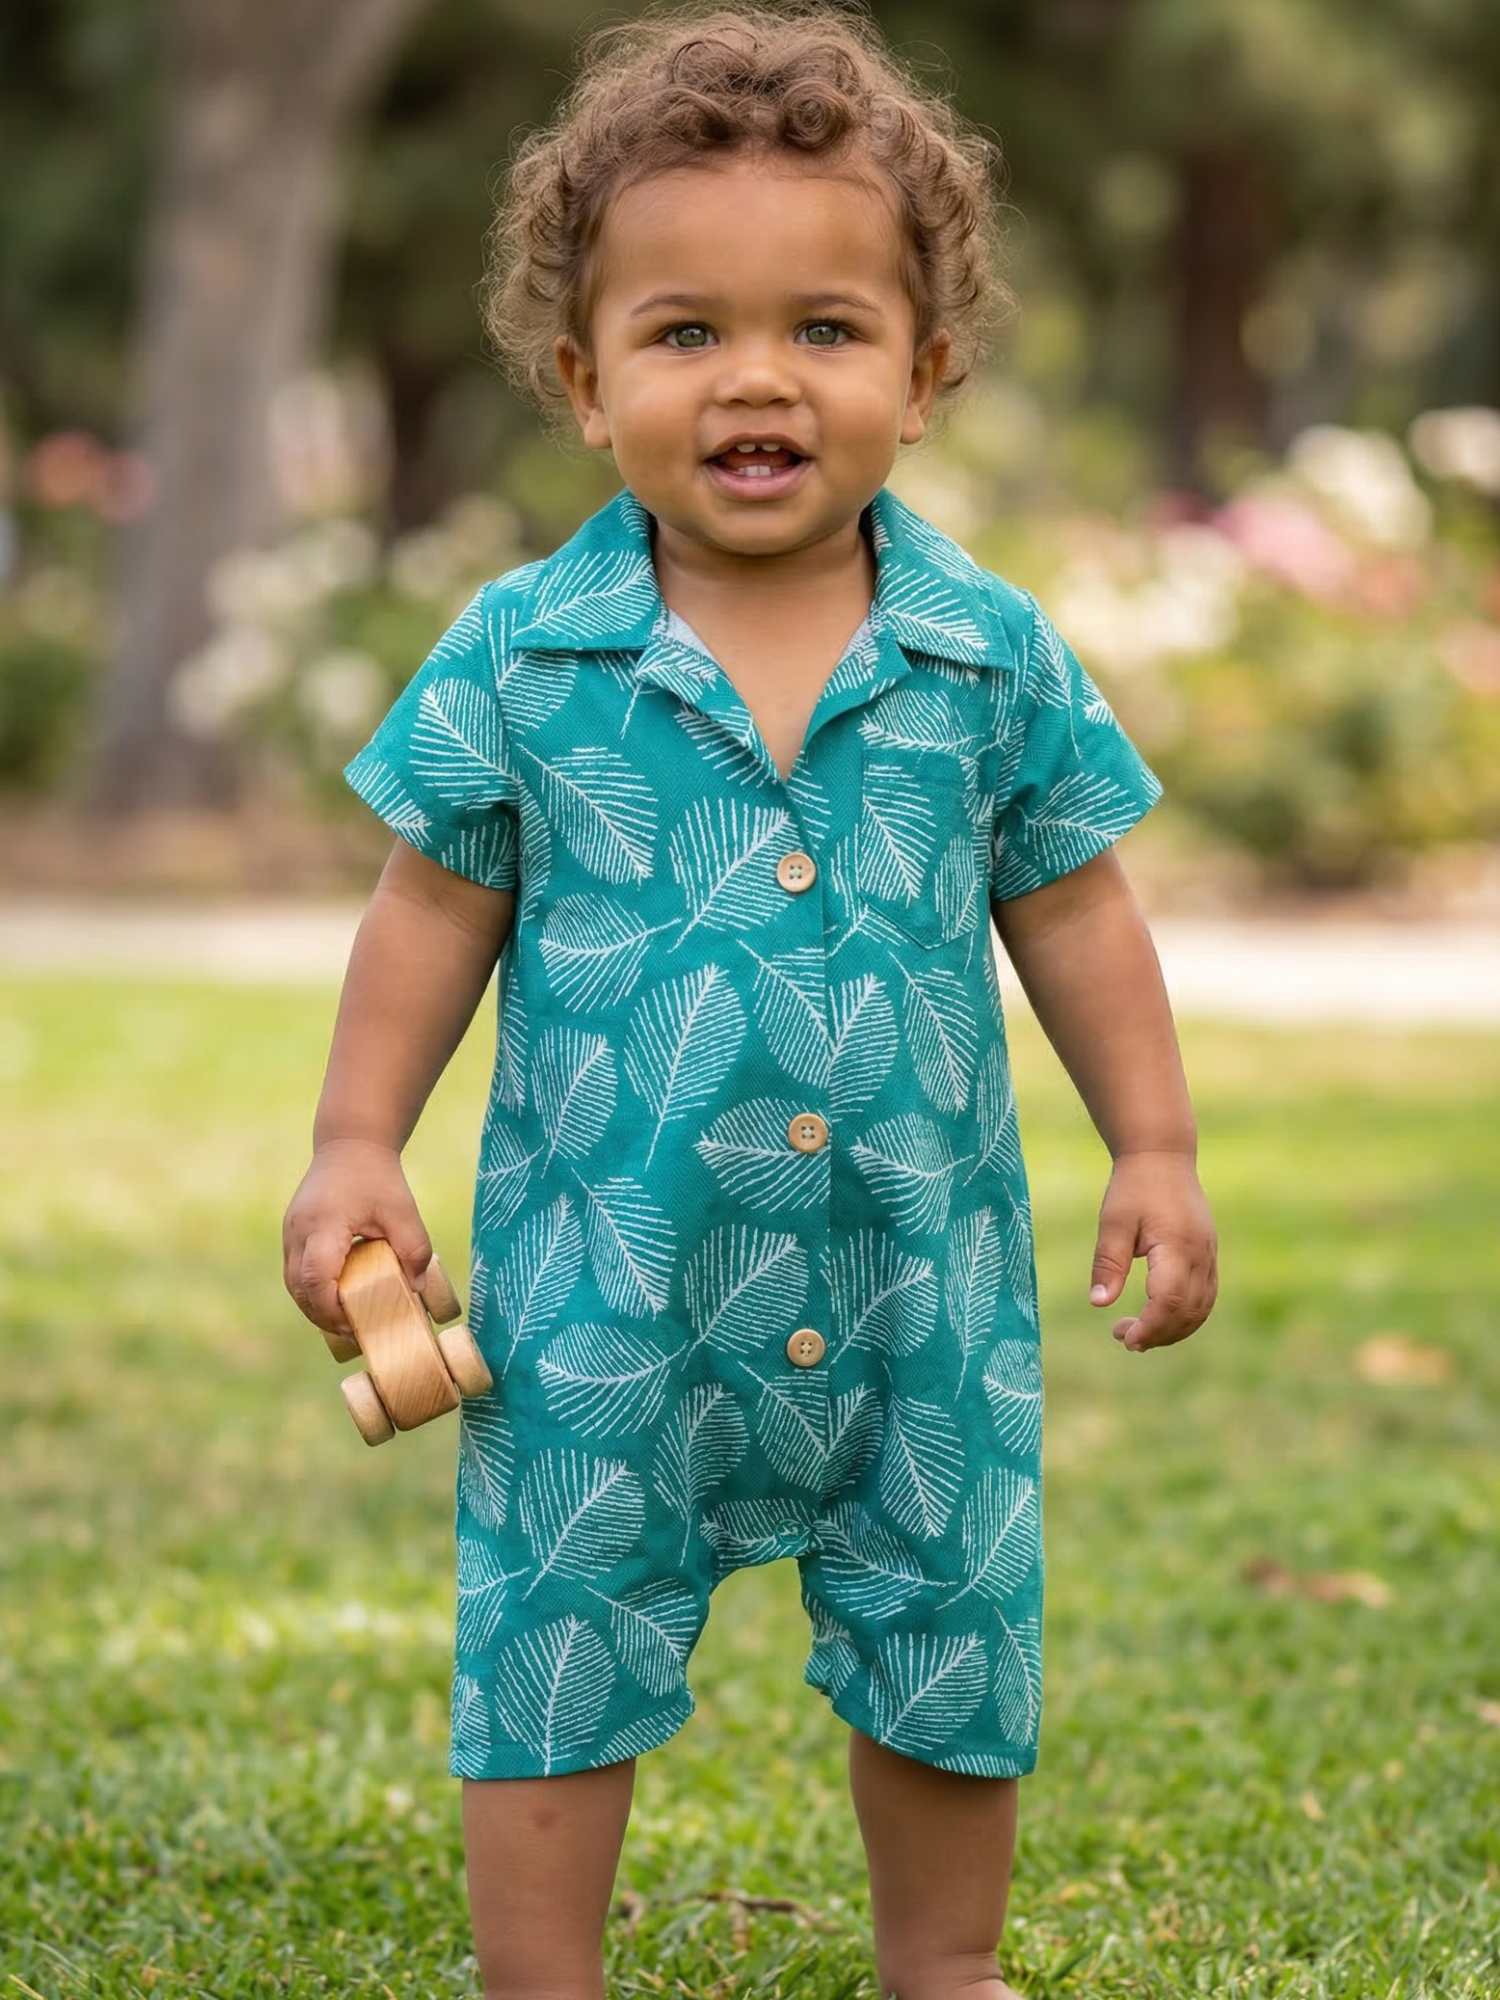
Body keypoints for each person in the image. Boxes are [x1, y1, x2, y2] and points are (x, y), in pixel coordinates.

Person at [282, 7, 1218, 1995]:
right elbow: (430, 904)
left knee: (951, 1612)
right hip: (605, 1284)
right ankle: (542, 1975)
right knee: (557, 1614)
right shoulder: (526, 654)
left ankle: (943, 1965)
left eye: (827, 328)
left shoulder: (988, 655)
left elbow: (1076, 905)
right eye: (686, 331)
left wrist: (1155, 1146)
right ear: (584, 379)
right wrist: (355, 1137)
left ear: (926, 370)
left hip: (915, 1285)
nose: (757, 377)